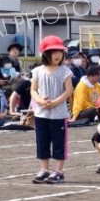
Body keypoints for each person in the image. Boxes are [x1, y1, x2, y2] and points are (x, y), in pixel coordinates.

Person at [30, 35, 74, 184]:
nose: (57, 55)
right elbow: (33, 90)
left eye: (60, 52)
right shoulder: (37, 71)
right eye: (53, 52)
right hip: (41, 113)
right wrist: (40, 101)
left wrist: (55, 102)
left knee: (59, 142)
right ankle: (44, 169)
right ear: (45, 54)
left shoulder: (65, 71)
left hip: (59, 114)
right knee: (42, 141)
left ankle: (59, 171)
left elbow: (68, 90)